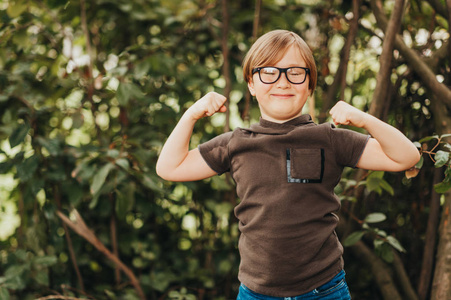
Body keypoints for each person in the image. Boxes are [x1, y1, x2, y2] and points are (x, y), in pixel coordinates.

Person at [156, 30, 420, 299]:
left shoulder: (329, 139)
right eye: (269, 72)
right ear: (251, 83)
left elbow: (407, 157)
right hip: (256, 293)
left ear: (309, 84)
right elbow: (169, 168)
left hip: (324, 290)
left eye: (295, 72)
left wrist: (365, 120)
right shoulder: (236, 143)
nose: (282, 82)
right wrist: (190, 115)